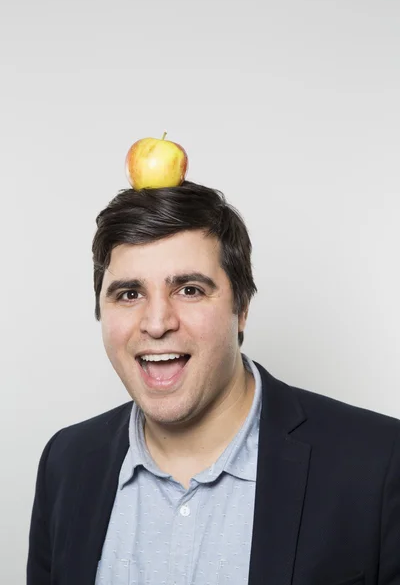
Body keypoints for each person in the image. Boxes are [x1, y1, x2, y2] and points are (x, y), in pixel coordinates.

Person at [27, 181, 400, 585]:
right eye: (129, 294)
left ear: (241, 309)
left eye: (189, 290)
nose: (156, 323)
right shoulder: (65, 463)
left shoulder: (378, 463)